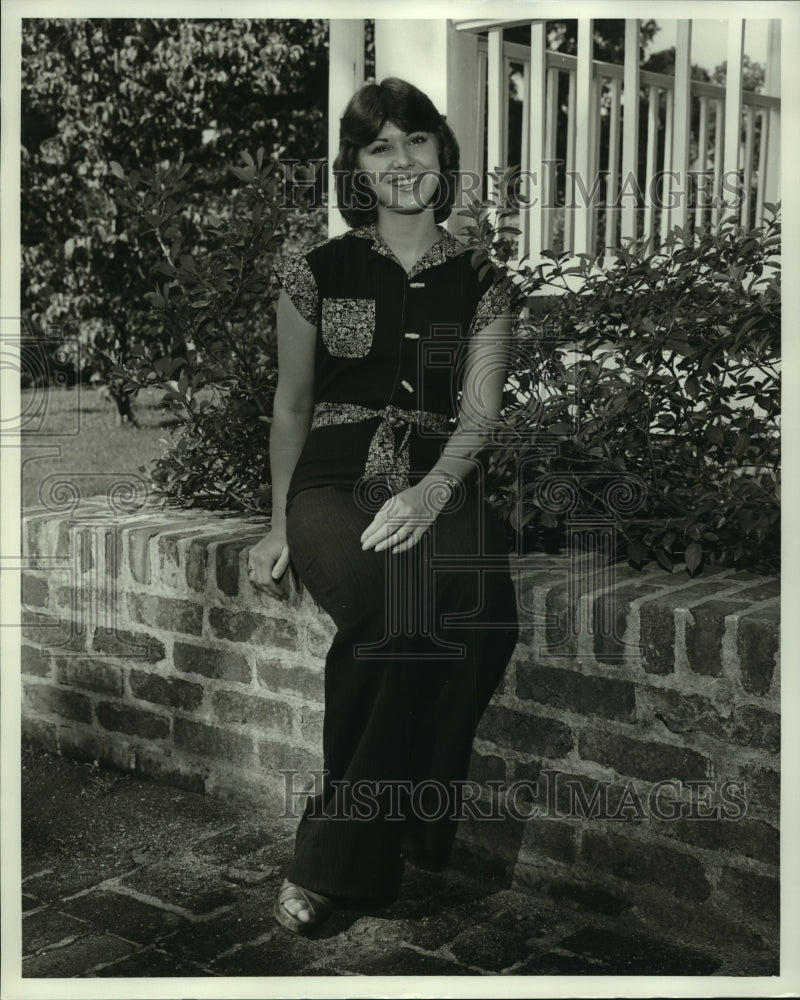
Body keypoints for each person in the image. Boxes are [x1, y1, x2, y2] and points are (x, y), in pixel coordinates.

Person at [247, 77, 524, 935]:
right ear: (356, 170)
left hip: (443, 475)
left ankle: (381, 827)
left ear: (442, 152)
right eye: (379, 147)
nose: (401, 161)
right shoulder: (316, 270)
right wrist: (275, 521)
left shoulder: (485, 280)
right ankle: (355, 852)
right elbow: (292, 404)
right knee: (385, 609)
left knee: (482, 608)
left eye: (415, 140)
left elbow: (481, 411)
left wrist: (434, 489)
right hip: (331, 480)